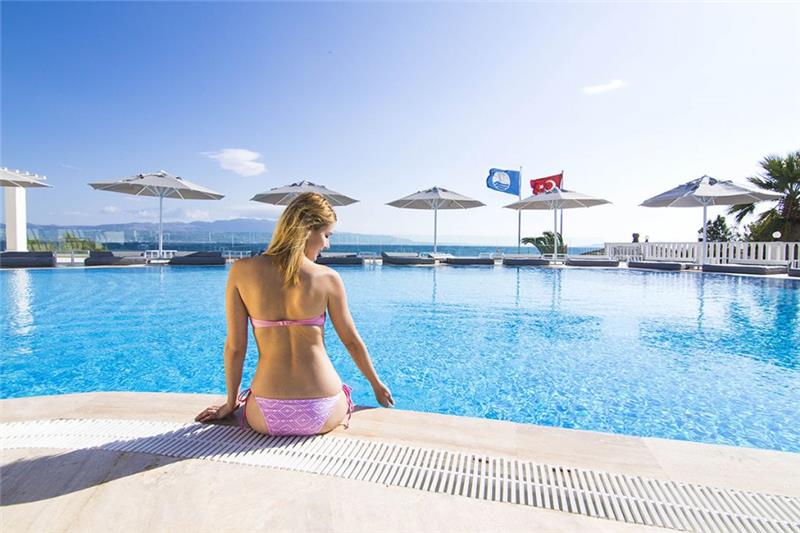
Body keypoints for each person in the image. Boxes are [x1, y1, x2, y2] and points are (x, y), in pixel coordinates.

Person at [196, 192, 394, 435]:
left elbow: (235, 347)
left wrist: (230, 402)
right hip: (322, 409)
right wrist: (376, 384)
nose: (327, 245)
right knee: (343, 392)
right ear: (308, 229)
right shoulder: (328, 278)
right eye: (327, 235)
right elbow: (351, 341)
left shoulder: (241, 271)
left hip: (265, 413)